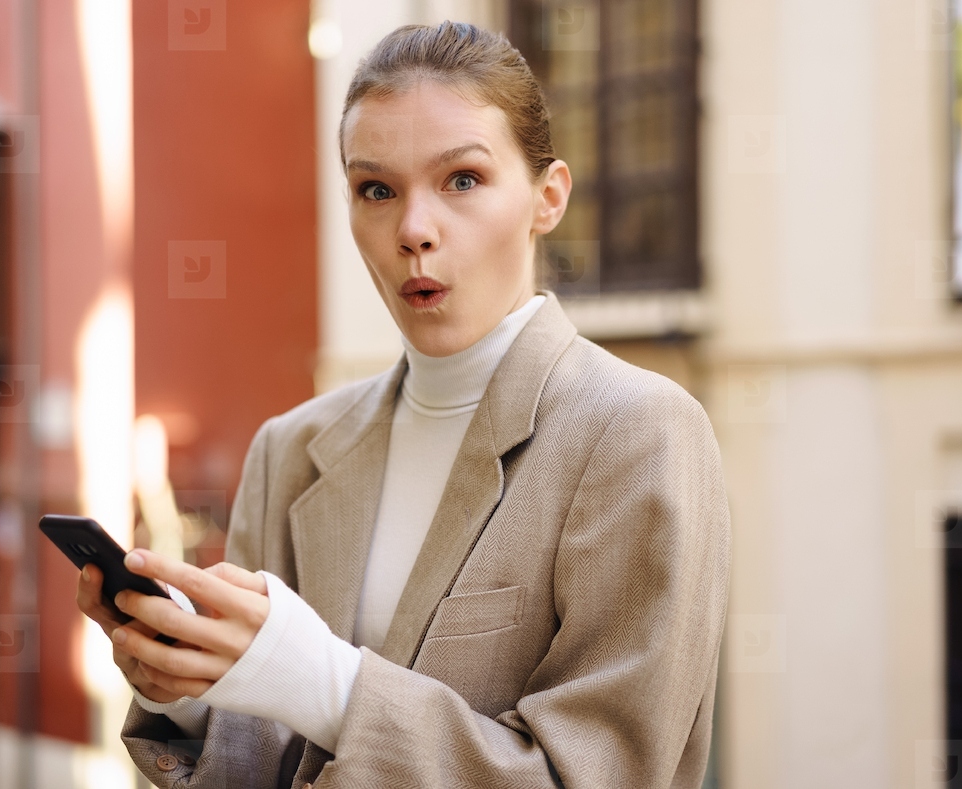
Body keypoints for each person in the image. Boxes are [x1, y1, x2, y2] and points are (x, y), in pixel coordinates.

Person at [77, 20, 730, 789]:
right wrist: (186, 690)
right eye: (376, 190)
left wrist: (326, 680)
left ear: (546, 198)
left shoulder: (640, 431)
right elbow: (258, 768)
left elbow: (598, 777)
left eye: (462, 179)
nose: (414, 231)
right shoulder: (290, 449)